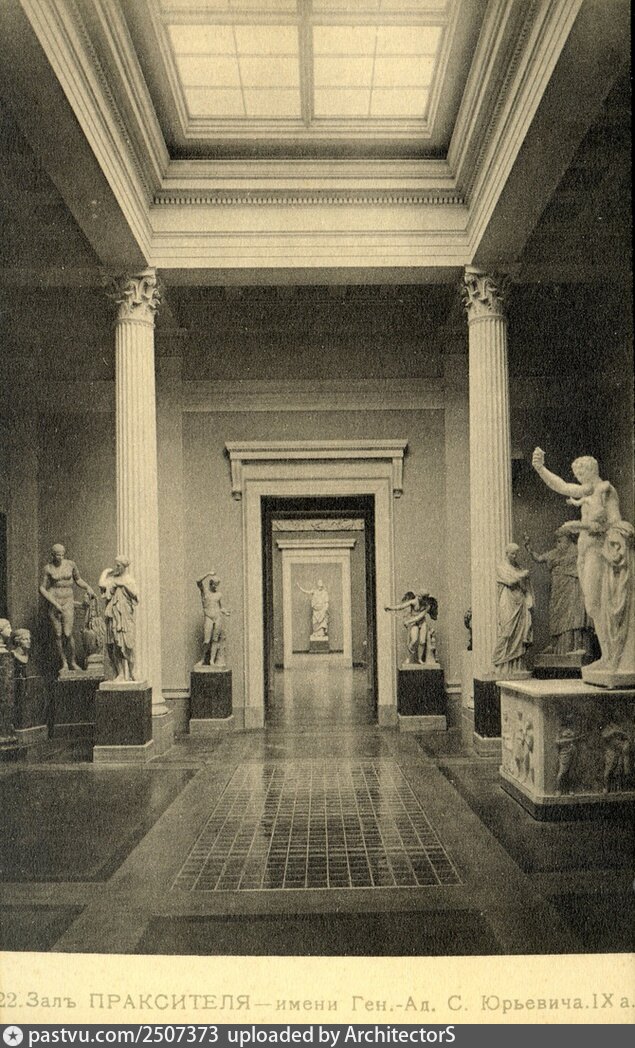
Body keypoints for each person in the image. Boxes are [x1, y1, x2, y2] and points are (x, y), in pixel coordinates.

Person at [531, 449, 634, 677]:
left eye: (580, 474)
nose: (578, 479)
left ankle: (612, 657)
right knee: (592, 605)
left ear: (590, 471)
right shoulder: (586, 491)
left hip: (598, 551)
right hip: (584, 552)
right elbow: (561, 486)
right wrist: (541, 468)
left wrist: (579, 526)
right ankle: (607, 656)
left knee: (598, 603)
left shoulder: (606, 490)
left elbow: (613, 523)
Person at [524, 527, 590, 654]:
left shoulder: (578, 550)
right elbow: (539, 558)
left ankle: (575, 646)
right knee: (557, 613)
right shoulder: (556, 552)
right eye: (557, 541)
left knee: (573, 613)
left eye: (560, 540)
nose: (558, 543)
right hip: (558, 587)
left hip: (573, 586)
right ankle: (557, 645)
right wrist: (529, 548)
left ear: (568, 538)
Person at [39, 543, 94, 674]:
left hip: (68, 600)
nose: (60, 557)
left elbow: (78, 579)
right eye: (58, 555)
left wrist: (88, 587)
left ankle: (72, 662)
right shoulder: (48, 568)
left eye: (62, 554)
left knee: (68, 633)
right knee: (58, 634)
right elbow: (42, 588)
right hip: (54, 600)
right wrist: (54, 603)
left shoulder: (71, 564)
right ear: (52, 555)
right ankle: (64, 663)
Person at [492, 543, 533, 677]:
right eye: (512, 553)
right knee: (507, 630)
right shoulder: (501, 567)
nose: (515, 556)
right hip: (508, 601)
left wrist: (529, 599)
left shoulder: (518, 568)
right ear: (506, 553)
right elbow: (510, 581)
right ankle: (500, 663)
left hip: (520, 602)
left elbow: (525, 587)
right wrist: (522, 575)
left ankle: (516, 667)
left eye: (516, 553)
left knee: (519, 634)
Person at [99, 556, 138, 682]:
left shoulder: (129, 580)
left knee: (128, 644)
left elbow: (135, 594)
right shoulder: (112, 578)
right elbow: (101, 584)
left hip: (125, 616)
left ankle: (132, 672)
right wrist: (105, 572)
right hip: (113, 615)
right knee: (115, 644)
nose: (116, 568)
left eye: (118, 565)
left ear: (124, 566)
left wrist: (122, 585)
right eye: (116, 565)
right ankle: (120, 673)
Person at [385, 591, 439, 665]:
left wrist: (408, 621)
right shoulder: (414, 602)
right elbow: (401, 606)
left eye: (421, 597)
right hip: (414, 623)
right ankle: (409, 657)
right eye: (418, 596)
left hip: (421, 622)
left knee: (422, 641)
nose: (418, 598)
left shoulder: (427, 605)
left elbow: (420, 616)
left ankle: (420, 659)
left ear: (425, 599)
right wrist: (390, 608)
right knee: (414, 640)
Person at [196, 570, 230, 667]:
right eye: (214, 584)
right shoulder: (205, 592)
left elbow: (220, 607)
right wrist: (208, 574)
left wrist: (225, 612)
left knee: (215, 639)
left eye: (217, 585)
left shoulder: (219, 595)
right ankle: (203, 659)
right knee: (207, 640)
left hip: (217, 616)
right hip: (209, 617)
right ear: (210, 583)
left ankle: (212, 660)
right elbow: (198, 581)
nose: (215, 587)